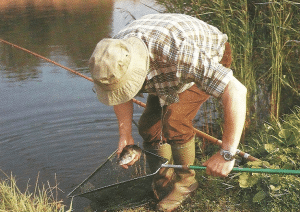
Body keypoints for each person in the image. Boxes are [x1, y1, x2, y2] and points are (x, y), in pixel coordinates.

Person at [89, 13, 247, 211]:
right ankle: (164, 177)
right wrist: (125, 135)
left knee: (175, 121)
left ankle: (186, 183)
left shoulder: (180, 53)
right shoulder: (113, 55)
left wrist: (227, 154)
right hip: (163, 69)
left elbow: (237, 91)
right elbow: (120, 95)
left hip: (209, 55)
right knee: (149, 127)